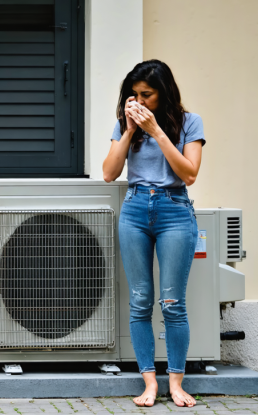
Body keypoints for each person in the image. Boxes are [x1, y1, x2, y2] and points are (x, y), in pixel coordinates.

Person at [103, 60, 204, 408]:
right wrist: (130, 130)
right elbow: (109, 173)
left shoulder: (190, 122)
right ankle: (149, 383)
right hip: (134, 210)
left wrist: (157, 131)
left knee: (172, 302)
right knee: (140, 299)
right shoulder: (126, 124)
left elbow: (189, 174)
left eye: (146, 94)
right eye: (134, 95)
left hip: (174, 209)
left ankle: (176, 383)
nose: (139, 101)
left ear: (164, 92)